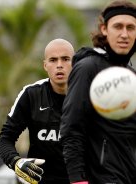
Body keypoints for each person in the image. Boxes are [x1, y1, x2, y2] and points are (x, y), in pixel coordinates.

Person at [60, 1, 136, 184]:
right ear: (104, 29)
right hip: (101, 179)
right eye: (118, 26)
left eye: (131, 27)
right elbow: (72, 128)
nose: (124, 34)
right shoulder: (88, 68)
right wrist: (77, 180)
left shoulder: (131, 75)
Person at [0, 38, 74, 184]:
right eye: (53, 60)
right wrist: (16, 162)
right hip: (38, 181)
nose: (59, 65)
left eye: (65, 59)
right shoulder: (31, 94)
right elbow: (5, 139)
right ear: (45, 65)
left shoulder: (88, 95)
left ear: (75, 63)